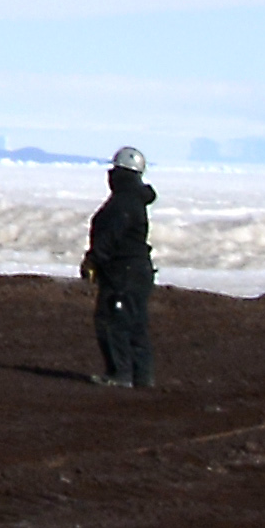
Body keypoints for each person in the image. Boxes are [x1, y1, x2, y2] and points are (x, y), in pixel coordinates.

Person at [84, 147, 158, 387]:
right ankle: (141, 376)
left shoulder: (122, 202)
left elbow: (109, 237)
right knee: (135, 323)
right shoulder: (133, 200)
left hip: (123, 273)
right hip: (135, 271)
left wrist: (93, 260)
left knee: (113, 321)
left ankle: (121, 374)